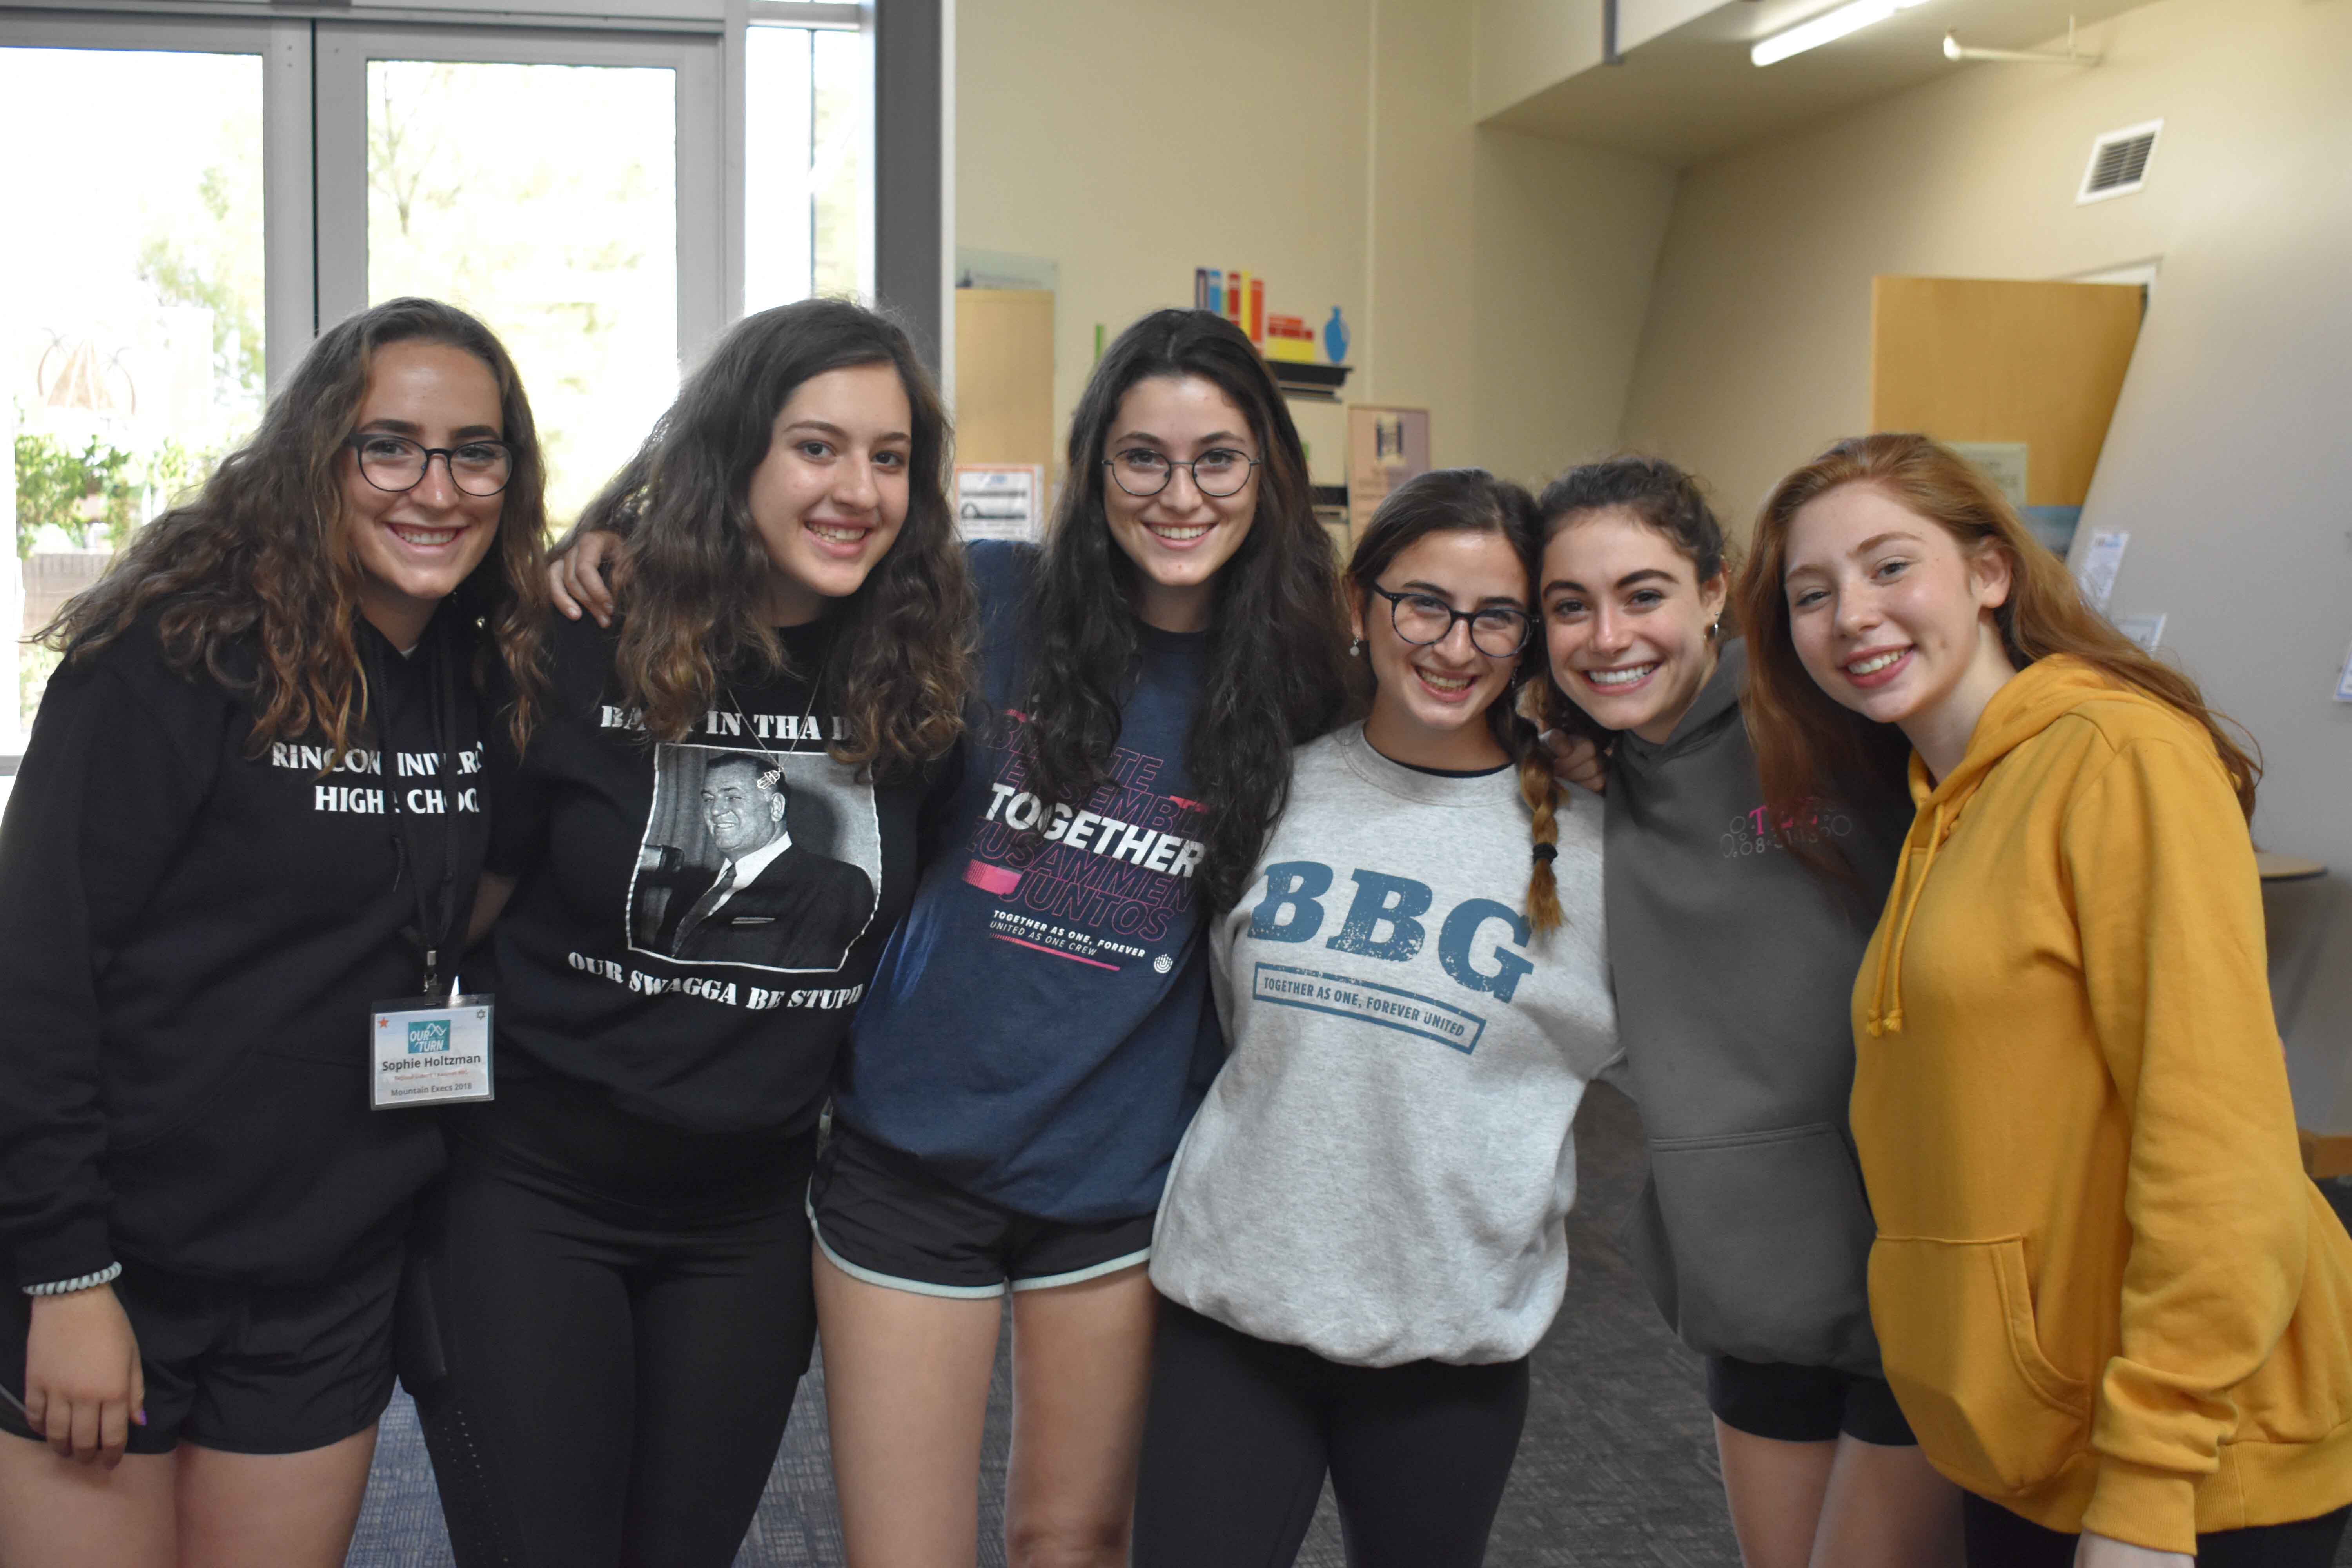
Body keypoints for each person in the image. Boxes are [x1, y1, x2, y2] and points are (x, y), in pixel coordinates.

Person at [407, 298, 973, 1568]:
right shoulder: (589, 636)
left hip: (751, 1219)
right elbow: (466, 904)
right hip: (533, 1193)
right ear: (738, 454)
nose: (858, 489)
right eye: (817, 447)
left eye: (889, 458)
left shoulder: (916, 678)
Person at [1737, 431, 2352, 1568]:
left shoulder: (2116, 754)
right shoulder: (1942, 800)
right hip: (2029, 1441)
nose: (1852, 616)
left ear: (1989, 572)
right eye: (1810, 595)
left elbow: (2218, 1141)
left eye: (1889, 566)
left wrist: (2152, 1481)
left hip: (2192, 1467)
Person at [0, 297, 549, 1568]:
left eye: (474, 453)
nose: (435, 489)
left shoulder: (492, 676)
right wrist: (67, 1279)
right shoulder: (175, 654)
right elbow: (36, 976)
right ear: (318, 456)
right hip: (118, 1258)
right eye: (389, 447)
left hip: (329, 1277)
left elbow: (477, 896)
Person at [1131, 467, 1615, 1568]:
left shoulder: (1597, 847)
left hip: (1451, 1331)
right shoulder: (1267, 791)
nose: (1456, 646)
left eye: (1496, 616)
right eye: (1424, 604)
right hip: (1235, 1313)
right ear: (1361, 603)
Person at [1529, 456, 1962, 1566]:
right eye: (1570, 606)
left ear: (1715, 590)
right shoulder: (1581, 779)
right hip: (1750, 1280)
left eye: (1643, 594)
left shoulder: (1831, 713)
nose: (1608, 636)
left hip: (1923, 1270)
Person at [649, 751, 877, 967]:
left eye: (733, 797)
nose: (716, 811)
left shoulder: (835, 883)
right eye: (709, 799)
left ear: (776, 807)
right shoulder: (691, 887)